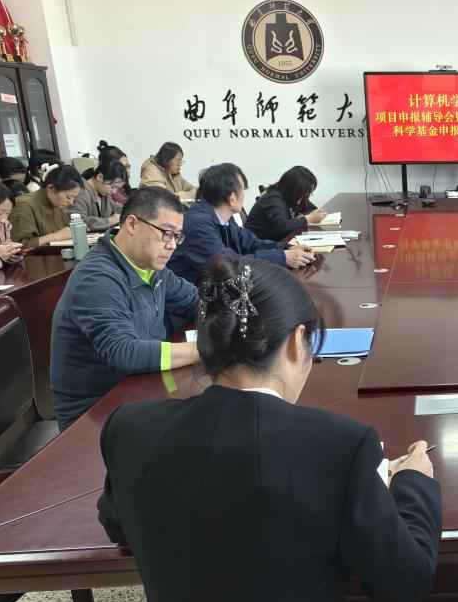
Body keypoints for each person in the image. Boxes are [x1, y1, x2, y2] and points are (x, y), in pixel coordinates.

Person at [96, 256, 442, 602]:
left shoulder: (129, 427)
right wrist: (413, 482)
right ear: (298, 342)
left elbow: (116, 523)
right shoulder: (339, 444)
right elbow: (404, 583)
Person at [50, 187, 200, 429]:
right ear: (132, 224)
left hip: (141, 386)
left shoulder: (150, 266)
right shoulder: (97, 278)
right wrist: (205, 349)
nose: (172, 245)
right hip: (95, 411)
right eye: (166, 234)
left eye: (177, 236)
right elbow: (122, 352)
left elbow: (195, 301)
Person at [167, 163, 315, 285]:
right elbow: (229, 265)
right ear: (232, 198)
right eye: (243, 191)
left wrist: (288, 248)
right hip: (192, 303)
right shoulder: (198, 224)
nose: (244, 195)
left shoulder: (223, 217)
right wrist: (283, 257)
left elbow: (252, 243)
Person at [245, 165, 328, 242]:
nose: (308, 195)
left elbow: (311, 209)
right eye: (307, 192)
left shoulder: (292, 197)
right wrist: (308, 219)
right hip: (258, 246)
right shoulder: (273, 199)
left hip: (277, 242)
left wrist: (301, 218)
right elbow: (281, 227)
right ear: (295, 190)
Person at [10, 164, 84, 249]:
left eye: (74, 198)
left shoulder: (56, 204)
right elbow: (19, 245)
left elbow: (66, 233)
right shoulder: (24, 205)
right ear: (51, 188)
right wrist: (55, 236)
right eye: (68, 197)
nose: (71, 202)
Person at [71, 160, 127, 231]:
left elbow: (115, 207)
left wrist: (131, 209)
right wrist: (109, 221)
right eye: (113, 187)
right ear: (100, 177)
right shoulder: (80, 192)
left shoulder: (103, 192)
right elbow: (79, 222)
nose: (114, 191)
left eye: (117, 188)